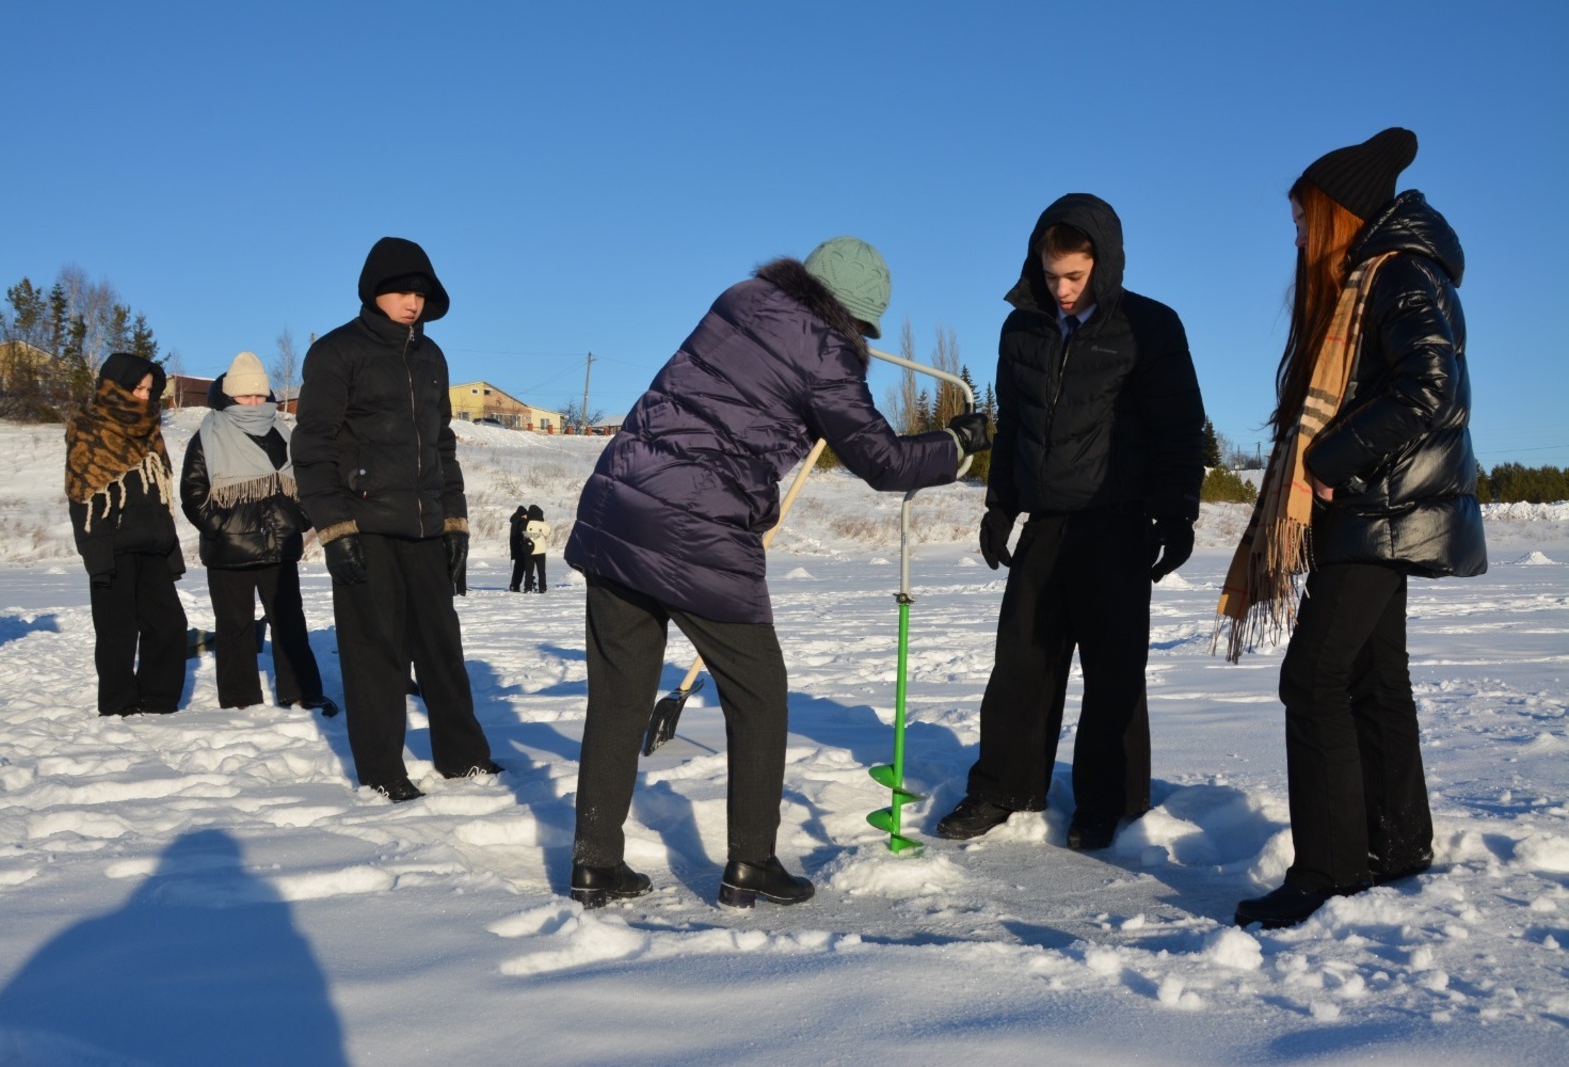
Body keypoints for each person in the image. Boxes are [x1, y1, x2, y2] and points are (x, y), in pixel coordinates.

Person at [564, 236, 990, 909]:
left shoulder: (738, 302)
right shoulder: (824, 352)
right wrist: (958, 442)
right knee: (759, 694)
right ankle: (751, 861)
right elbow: (881, 462)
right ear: (851, 315)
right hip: (695, 528)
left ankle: (595, 862)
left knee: (618, 695)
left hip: (617, 504)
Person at [1225, 128, 1485, 929]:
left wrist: (1330, 455)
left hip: (1382, 507)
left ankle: (1329, 869)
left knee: (1313, 679)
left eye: (1306, 218)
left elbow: (1432, 387)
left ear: (1341, 214)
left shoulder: (1401, 273)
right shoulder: (1376, 277)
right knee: (1374, 677)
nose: (1299, 234)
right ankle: (1397, 845)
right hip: (1378, 507)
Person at [936, 194, 1205, 851]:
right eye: (1049, 273)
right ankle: (1003, 786)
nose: (1059, 289)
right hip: (1048, 519)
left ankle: (1106, 800)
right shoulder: (1021, 328)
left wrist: (1176, 513)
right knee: (1021, 659)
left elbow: (1178, 429)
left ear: (1103, 265)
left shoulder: (1149, 326)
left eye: (1074, 276)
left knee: (1113, 669)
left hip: (1117, 520)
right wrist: (1001, 504)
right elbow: (1016, 426)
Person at [291, 236, 499, 803]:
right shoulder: (337, 352)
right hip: (363, 527)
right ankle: (383, 770)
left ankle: (463, 757)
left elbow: (442, 445)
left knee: (441, 648)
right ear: (375, 291)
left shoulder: (431, 357)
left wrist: (454, 521)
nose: (413, 301)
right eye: (403, 291)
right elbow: (311, 446)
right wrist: (333, 529)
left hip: (425, 528)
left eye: (422, 293)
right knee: (374, 654)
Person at [180, 352, 337, 716]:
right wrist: (223, 529)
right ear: (229, 396)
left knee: (290, 625)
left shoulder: (281, 433)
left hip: (279, 548)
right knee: (234, 628)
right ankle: (239, 700)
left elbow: (301, 483)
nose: (253, 403)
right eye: (244, 396)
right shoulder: (209, 434)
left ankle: (302, 693)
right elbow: (194, 494)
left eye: (258, 395)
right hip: (229, 552)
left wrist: (297, 520)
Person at [65, 351, 188, 717]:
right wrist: (96, 556)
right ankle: (119, 702)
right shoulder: (89, 429)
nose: (145, 396)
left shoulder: (151, 431)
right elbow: (81, 497)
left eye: (149, 390)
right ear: (115, 387)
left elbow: (160, 494)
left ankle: (159, 697)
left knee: (169, 624)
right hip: (113, 548)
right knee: (117, 631)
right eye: (137, 388)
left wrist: (170, 549)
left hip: (152, 545)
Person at [524, 504, 550, 593]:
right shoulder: (543, 524)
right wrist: (539, 535)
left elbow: (523, 534)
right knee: (541, 571)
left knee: (528, 571)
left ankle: (528, 587)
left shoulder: (526, 523)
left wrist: (531, 535)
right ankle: (542, 587)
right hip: (540, 550)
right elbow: (547, 533)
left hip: (529, 550)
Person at [507, 505, 530, 592]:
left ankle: (514, 585)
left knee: (518, 568)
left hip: (516, 548)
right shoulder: (519, 522)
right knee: (520, 568)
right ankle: (515, 585)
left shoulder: (515, 521)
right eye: (525, 515)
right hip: (520, 548)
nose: (526, 516)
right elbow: (523, 533)